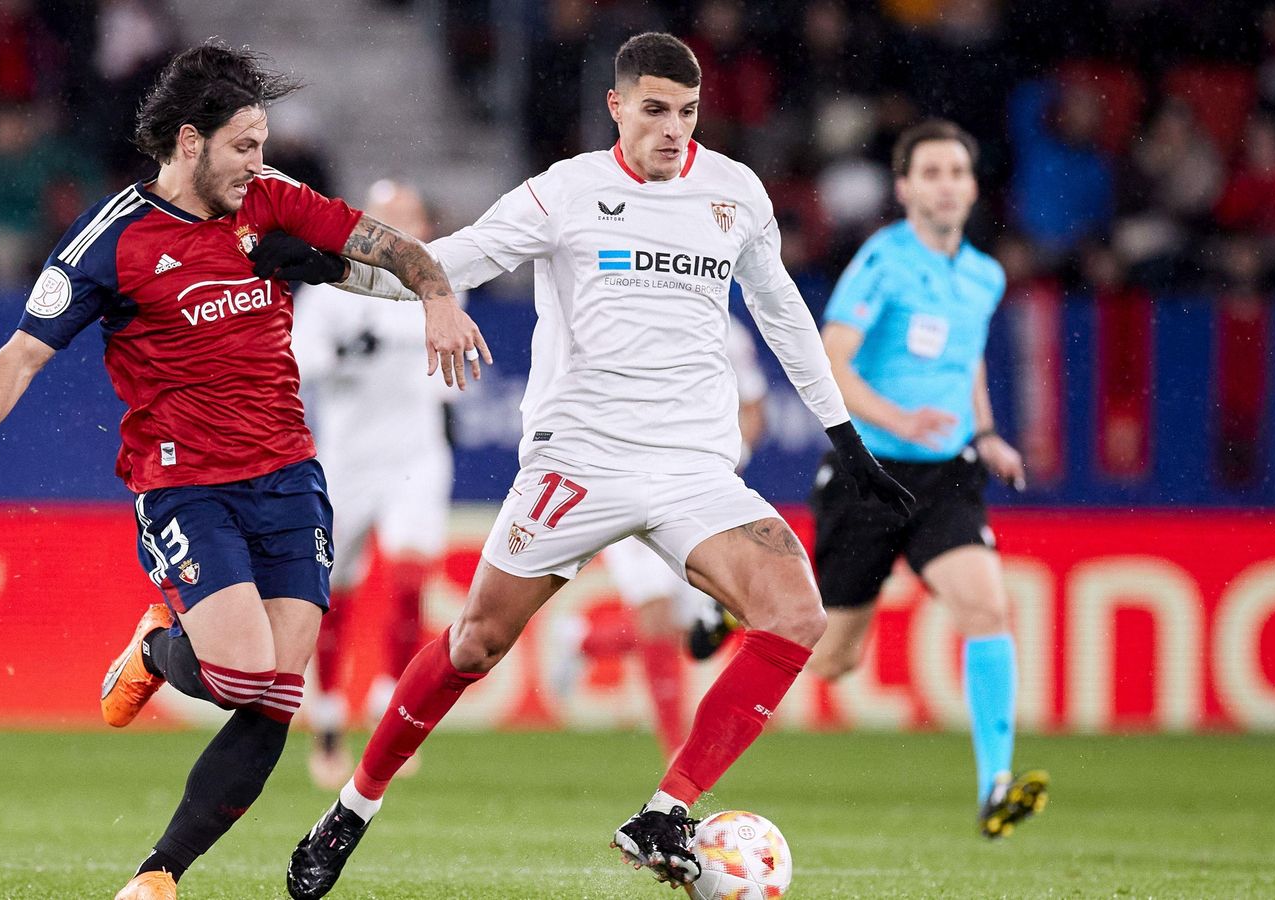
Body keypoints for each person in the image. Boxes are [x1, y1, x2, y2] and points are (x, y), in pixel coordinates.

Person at [269, 33, 912, 897]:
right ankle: (351, 807)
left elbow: (784, 314)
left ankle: (666, 811)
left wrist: (842, 433)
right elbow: (451, 262)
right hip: (579, 460)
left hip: (692, 465)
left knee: (796, 613)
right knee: (476, 640)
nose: (673, 130)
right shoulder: (566, 191)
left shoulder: (735, 194)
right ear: (616, 107)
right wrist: (329, 267)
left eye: (686, 112)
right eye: (653, 110)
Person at [0, 41, 489, 900]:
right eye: (244, 147)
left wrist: (436, 295)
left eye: (264, 146)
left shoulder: (273, 208)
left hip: (289, 477)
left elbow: (394, 249)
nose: (260, 165)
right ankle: (153, 647)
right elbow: (24, 352)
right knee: (244, 673)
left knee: (274, 700)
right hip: (185, 483)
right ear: (189, 141)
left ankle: (158, 874)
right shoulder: (114, 240)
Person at [805, 118, 1048, 839]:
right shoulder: (881, 261)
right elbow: (829, 360)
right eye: (931, 172)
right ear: (905, 187)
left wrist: (985, 433)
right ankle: (737, 611)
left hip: (946, 475)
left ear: (973, 188)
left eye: (958, 172)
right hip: (868, 474)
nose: (946, 184)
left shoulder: (984, 275)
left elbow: (965, 358)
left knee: (987, 607)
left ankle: (993, 786)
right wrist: (895, 417)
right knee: (832, 660)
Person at [289, 179, 457, 789]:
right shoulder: (332, 290)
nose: (402, 228)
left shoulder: (436, 286)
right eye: (389, 217)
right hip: (347, 461)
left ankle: (393, 718)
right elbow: (302, 361)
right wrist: (346, 352)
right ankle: (329, 725)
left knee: (410, 581)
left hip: (415, 456)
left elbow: (449, 372)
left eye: (411, 216)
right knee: (332, 594)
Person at [556, 313, 767, 759]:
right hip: (632, 484)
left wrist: (731, 457)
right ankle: (678, 749)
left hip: (701, 493)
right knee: (655, 614)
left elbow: (753, 408)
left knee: (684, 632)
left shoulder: (731, 335)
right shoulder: (629, 319)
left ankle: (585, 640)